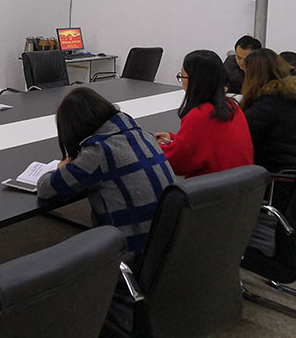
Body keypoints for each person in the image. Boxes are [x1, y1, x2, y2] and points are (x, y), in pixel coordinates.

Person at [36, 87, 175, 262]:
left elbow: (46, 188)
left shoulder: (98, 153)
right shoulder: (144, 136)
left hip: (134, 255)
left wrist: (60, 167)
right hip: (171, 245)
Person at [154, 50, 253, 178]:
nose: (182, 81)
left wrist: (156, 147)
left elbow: (178, 163)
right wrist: (174, 140)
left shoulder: (198, 116)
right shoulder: (232, 107)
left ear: (195, 81)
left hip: (212, 186)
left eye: (182, 76)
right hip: (241, 184)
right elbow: (205, 144)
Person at [240, 48, 296, 173]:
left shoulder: (266, 106)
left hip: (281, 174)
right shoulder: (291, 96)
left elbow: (241, 137)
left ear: (252, 76)